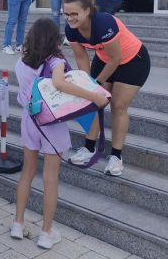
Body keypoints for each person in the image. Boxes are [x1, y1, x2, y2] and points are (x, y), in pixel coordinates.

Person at [11, 18, 109, 249]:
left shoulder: (22, 60)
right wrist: (94, 96)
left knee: (27, 172)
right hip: (50, 124)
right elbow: (59, 84)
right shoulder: (55, 61)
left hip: (29, 120)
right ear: (54, 39)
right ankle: (46, 232)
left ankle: (17, 223)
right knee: (50, 178)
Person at [64, 0, 150, 176]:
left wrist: (97, 82)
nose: (70, 18)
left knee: (118, 106)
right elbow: (81, 57)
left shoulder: (103, 23)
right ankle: (88, 148)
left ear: (87, 11)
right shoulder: (70, 28)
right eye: (66, 14)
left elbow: (116, 59)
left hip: (134, 60)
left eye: (74, 14)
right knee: (94, 101)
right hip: (105, 59)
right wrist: (87, 84)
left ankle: (116, 157)